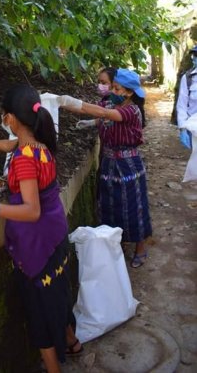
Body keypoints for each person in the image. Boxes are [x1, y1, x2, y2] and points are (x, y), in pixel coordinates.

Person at [0, 84, 82, 373]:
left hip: (36, 243)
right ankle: (72, 341)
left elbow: (31, 209)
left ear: (11, 119)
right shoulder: (39, 143)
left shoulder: (25, 159)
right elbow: (11, 145)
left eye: (4, 116)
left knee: (40, 310)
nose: (4, 120)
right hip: (56, 235)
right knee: (58, 295)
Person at [58, 68, 152, 268]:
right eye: (113, 87)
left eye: (116, 88)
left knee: (133, 207)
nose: (112, 91)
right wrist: (89, 120)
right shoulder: (111, 102)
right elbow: (99, 114)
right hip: (109, 163)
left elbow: (103, 112)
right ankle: (115, 243)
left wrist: (70, 102)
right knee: (110, 206)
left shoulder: (131, 110)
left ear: (128, 92)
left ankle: (140, 247)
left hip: (128, 165)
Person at [176, 45, 197, 149]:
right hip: (193, 128)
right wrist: (183, 128)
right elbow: (182, 104)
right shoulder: (188, 78)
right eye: (195, 55)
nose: (195, 58)